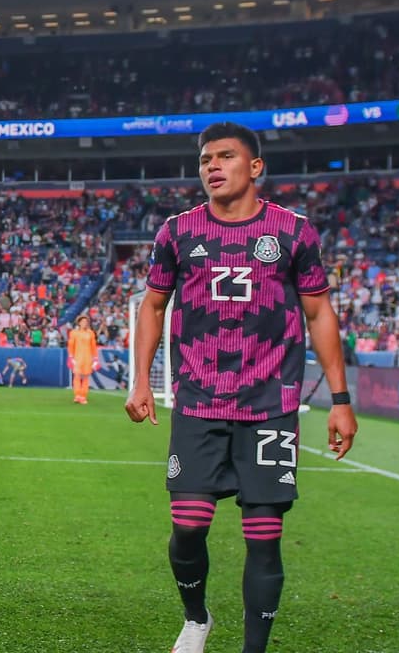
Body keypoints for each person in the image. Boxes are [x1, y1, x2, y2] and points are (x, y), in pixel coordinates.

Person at [125, 122, 358, 653]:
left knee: (264, 536)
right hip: (198, 400)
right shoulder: (177, 232)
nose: (212, 166)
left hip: (271, 404)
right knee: (188, 525)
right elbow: (153, 306)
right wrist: (141, 380)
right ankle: (196, 618)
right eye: (206, 158)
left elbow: (319, 313)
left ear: (255, 167)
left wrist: (340, 400)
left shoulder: (294, 231)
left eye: (226, 156)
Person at [67, 315, 99, 404]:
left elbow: (93, 346)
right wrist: (71, 356)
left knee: (85, 377)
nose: (85, 323)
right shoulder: (74, 333)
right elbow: (71, 345)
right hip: (77, 357)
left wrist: (95, 358)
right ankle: (77, 395)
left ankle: (83, 396)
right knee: (77, 376)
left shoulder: (91, 333)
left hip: (87, 358)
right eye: (83, 321)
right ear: (79, 323)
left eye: (86, 322)